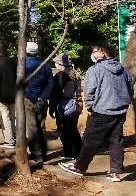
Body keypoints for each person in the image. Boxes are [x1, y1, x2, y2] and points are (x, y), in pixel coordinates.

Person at [60, 42, 134, 182]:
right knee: (116, 141)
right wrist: (124, 103)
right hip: (120, 111)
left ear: (104, 53)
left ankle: (79, 167)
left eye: (95, 51)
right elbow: (130, 88)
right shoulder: (123, 70)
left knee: (90, 140)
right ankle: (115, 172)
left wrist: (90, 106)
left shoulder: (95, 70)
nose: (93, 54)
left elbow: (89, 91)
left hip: (101, 111)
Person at [23, 41, 53, 165]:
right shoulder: (45, 65)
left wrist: (30, 96)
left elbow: (22, 83)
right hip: (42, 100)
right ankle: (43, 152)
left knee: (31, 127)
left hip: (28, 100)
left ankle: (36, 154)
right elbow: (50, 83)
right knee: (41, 126)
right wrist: (42, 97)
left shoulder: (23, 65)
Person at [48, 53, 82, 161]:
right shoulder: (75, 75)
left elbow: (55, 94)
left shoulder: (59, 76)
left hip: (63, 106)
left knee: (63, 130)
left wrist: (52, 108)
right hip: (75, 105)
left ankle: (68, 152)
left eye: (56, 63)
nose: (56, 65)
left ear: (61, 64)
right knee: (73, 129)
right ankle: (79, 150)